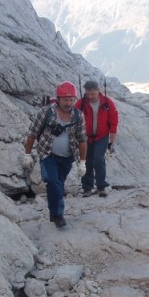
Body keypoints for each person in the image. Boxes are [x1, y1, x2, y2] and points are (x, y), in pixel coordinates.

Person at [23, 81, 87, 228]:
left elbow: (82, 140)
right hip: (48, 154)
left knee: (58, 184)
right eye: (65, 99)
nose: (68, 103)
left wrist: (82, 162)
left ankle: (54, 213)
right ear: (58, 99)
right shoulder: (46, 112)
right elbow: (32, 132)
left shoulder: (78, 116)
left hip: (67, 157)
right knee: (53, 182)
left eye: (71, 99)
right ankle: (58, 215)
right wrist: (27, 153)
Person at [75, 80, 119, 197]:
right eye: (88, 94)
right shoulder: (81, 103)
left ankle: (101, 187)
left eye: (92, 94)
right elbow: (73, 118)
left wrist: (111, 142)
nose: (90, 96)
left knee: (98, 159)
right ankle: (87, 188)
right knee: (86, 161)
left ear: (98, 91)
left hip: (102, 136)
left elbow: (113, 123)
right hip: (86, 137)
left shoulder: (107, 103)